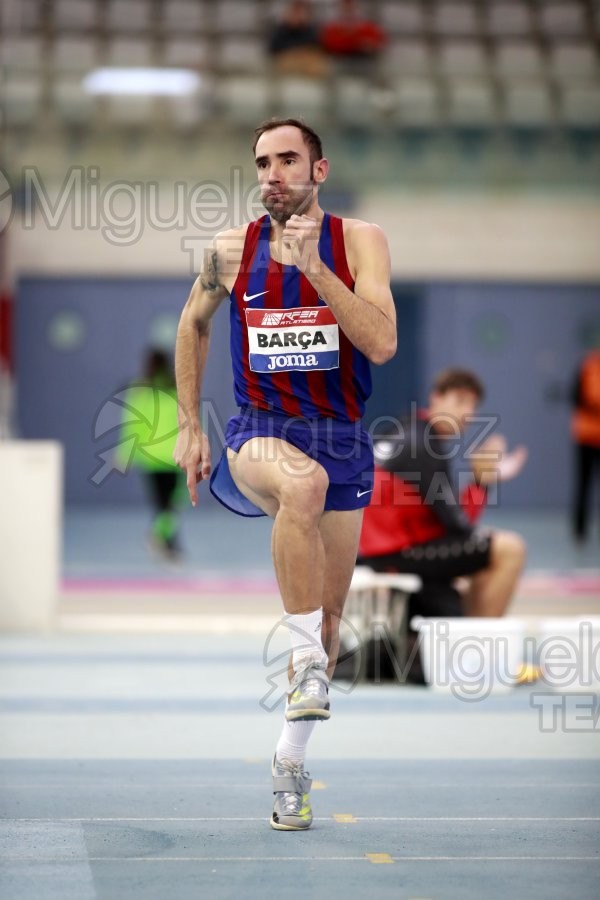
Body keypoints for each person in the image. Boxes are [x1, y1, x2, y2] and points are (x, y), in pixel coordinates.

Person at [173, 118, 396, 831]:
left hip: (341, 436)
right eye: (263, 162)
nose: (273, 173)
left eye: (288, 160)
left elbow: (383, 344)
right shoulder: (229, 250)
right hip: (260, 433)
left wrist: (317, 272)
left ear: (319, 171)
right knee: (302, 487)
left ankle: (289, 763)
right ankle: (304, 668)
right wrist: (186, 424)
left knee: (332, 621)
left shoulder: (360, 242)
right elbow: (192, 324)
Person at [358, 369, 528, 621]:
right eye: (459, 401)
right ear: (436, 397)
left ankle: (465, 634)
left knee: (479, 559)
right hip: (392, 554)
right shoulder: (424, 446)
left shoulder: (406, 428)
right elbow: (459, 526)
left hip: (374, 551)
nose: (467, 413)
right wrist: (481, 481)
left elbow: (447, 523)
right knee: (510, 549)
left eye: (473, 405)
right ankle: (475, 648)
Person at [118, 348, 185, 561]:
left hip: (150, 458)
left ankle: (165, 542)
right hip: (174, 456)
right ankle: (163, 540)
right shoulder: (178, 390)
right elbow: (189, 422)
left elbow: (132, 426)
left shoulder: (140, 391)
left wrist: (124, 455)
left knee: (163, 505)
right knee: (170, 505)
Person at [571, 345, 600, 541]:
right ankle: (580, 531)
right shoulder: (589, 366)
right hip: (586, 436)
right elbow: (579, 397)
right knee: (583, 484)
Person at [267, 0, 330, 78]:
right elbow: (273, 51)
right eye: (294, 12)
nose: (297, 15)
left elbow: (317, 51)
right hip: (285, 67)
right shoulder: (280, 30)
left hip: (307, 66)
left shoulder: (311, 30)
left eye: (300, 12)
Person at [320, 0, 388, 60]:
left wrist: (369, 46)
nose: (349, 10)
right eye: (345, 7)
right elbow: (329, 46)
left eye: (351, 7)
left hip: (365, 64)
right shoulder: (332, 29)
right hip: (340, 62)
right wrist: (356, 42)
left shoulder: (369, 27)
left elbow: (379, 43)